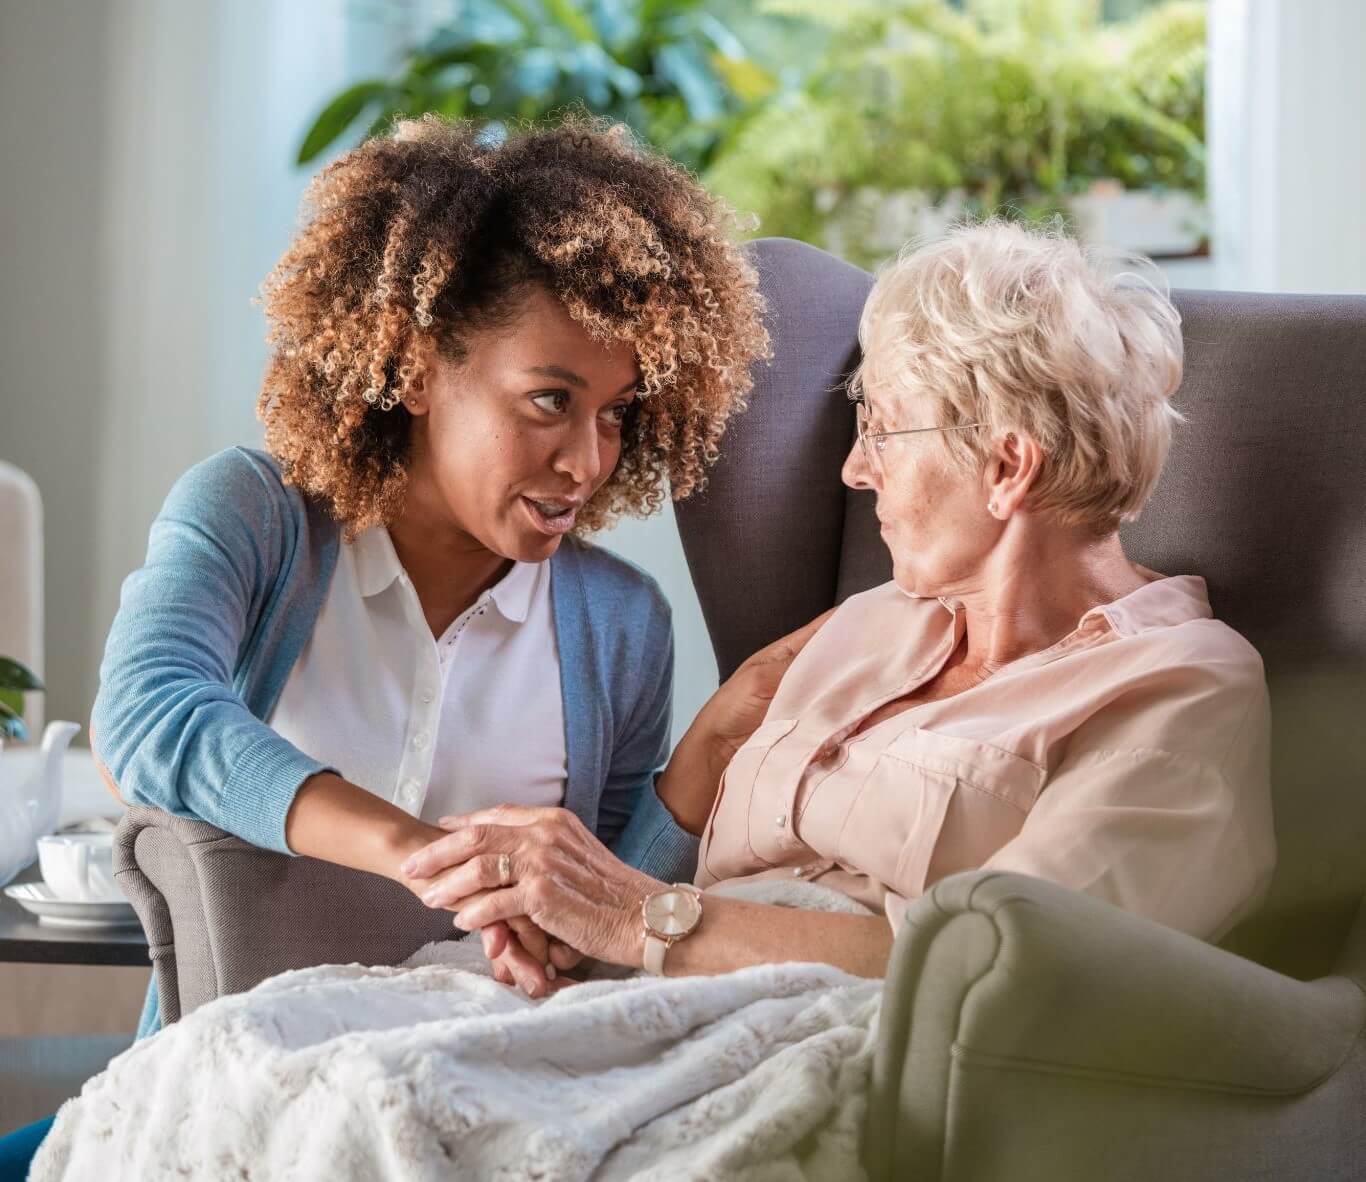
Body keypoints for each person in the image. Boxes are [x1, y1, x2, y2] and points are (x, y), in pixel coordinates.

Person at [0, 115, 770, 1176]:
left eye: (617, 414)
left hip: (479, 1107)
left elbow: (599, 929)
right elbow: (152, 713)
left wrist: (711, 746)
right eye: (549, 400)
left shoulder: (620, 621)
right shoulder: (254, 516)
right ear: (415, 367)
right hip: (226, 1099)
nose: (587, 461)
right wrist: (427, 856)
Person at [400, 219, 1277, 985]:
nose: (857, 471)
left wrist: (637, 921)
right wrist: (573, 929)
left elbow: (1008, 970)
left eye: (883, 430)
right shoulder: (867, 623)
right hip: (653, 995)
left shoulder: (1179, 689)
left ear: (1007, 467)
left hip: (838, 1055)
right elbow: (670, 901)